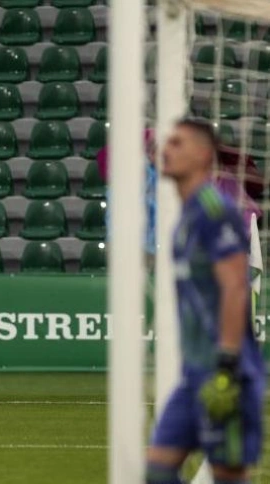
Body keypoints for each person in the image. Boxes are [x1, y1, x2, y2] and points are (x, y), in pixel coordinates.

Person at [146, 119, 264, 484]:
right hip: (193, 374)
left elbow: (235, 287)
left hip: (225, 372)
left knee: (229, 475)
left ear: (202, 154)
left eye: (177, 143)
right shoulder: (185, 218)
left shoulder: (216, 211)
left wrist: (228, 364)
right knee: (159, 469)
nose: (166, 150)